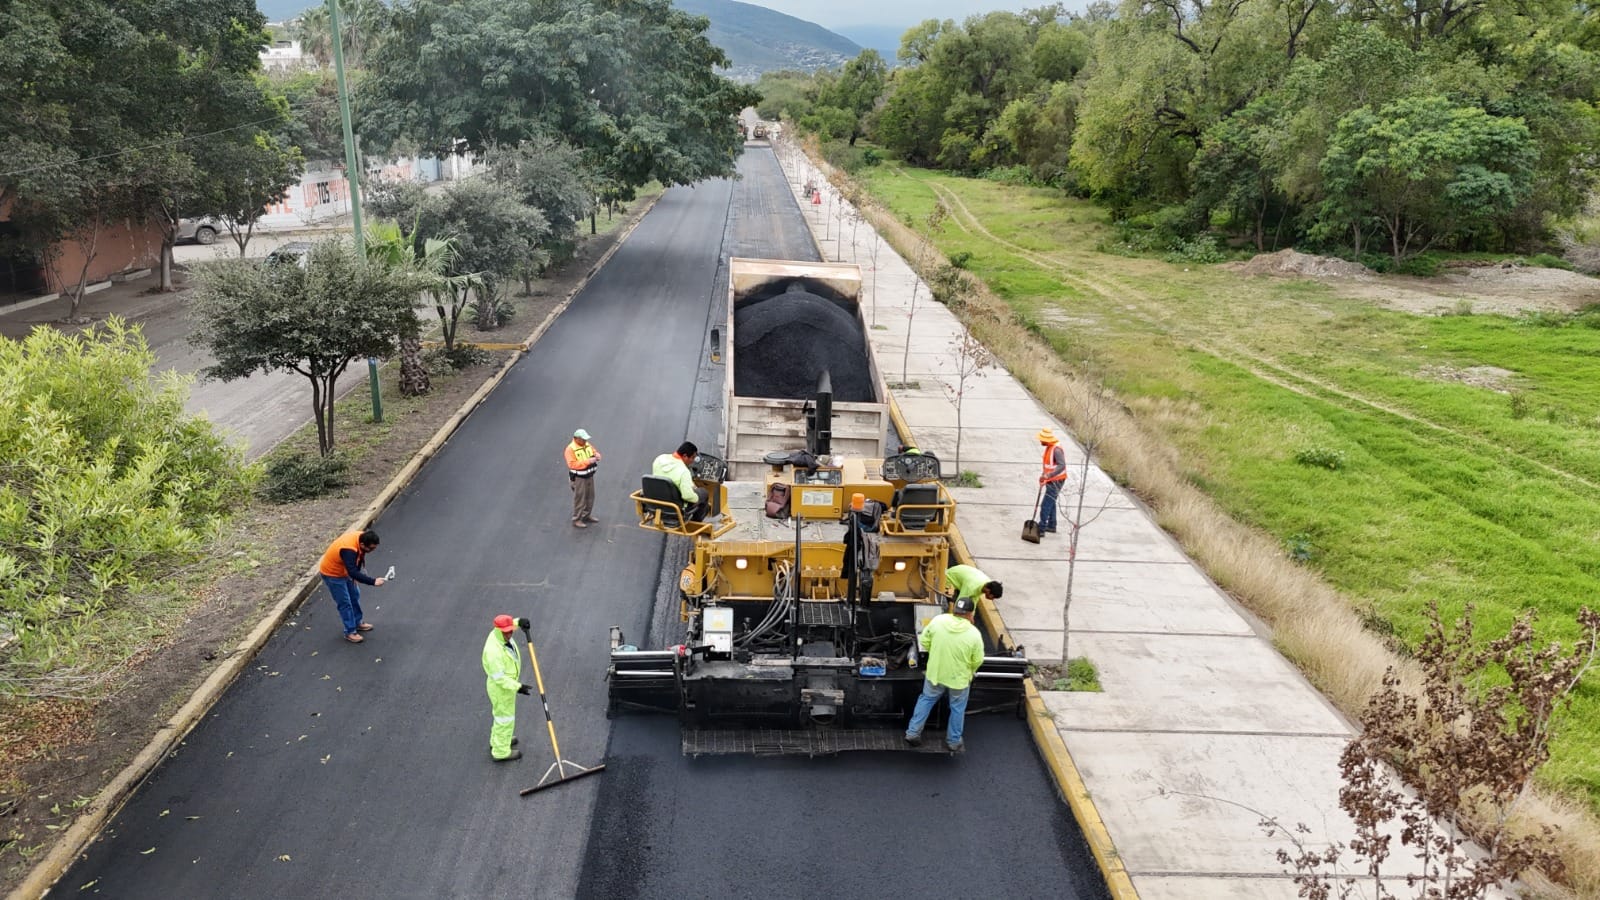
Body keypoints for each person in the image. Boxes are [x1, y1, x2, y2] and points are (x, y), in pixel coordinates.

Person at [904, 596, 986, 753]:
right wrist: (969, 670)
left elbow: (924, 641)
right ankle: (953, 741)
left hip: (935, 673)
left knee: (926, 699)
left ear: (954, 609)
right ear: (970, 614)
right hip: (959, 679)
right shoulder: (974, 633)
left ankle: (913, 733)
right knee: (957, 708)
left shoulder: (938, 621)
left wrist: (936, 652)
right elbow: (977, 660)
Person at [318, 529, 386, 644]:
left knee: (355, 595)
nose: (372, 551)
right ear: (362, 544)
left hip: (345, 571)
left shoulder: (361, 537)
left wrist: (355, 576)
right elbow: (353, 571)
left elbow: (358, 559)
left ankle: (357, 622)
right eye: (371, 549)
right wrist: (373, 581)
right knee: (345, 603)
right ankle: (350, 632)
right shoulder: (348, 550)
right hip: (333, 574)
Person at [483, 614, 533, 762]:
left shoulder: (500, 634)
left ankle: (498, 741)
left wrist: (519, 622)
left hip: (505, 687)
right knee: (505, 719)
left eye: (511, 631)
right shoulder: (493, 652)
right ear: (499, 631)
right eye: (506, 632)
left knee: (501, 717)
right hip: (501, 689)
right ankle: (500, 752)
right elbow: (499, 679)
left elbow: (510, 624)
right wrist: (518, 687)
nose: (509, 634)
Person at [652, 440, 709, 522]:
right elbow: (687, 496)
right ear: (685, 456)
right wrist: (697, 497)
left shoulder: (659, 459)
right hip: (676, 507)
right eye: (692, 458)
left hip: (658, 500)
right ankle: (696, 520)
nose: (693, 461)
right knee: (703, 493)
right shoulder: (684, 472)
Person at [565, 428, 602, 528]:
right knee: (580, 499)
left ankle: (586, 515)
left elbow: (593, 451)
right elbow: (572, 464)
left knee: (590, 497)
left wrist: (597, 454)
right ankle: (577, 519)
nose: (585, 441)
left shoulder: (586, 444)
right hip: (579, 478)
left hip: (589, 476)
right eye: (583, 439)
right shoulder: (570, 449)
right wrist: (588, 461)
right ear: (576, 438)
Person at [1038, 428, 1069, 535]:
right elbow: (1048, 465)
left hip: (1057, 480)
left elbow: (1062, 465)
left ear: (1046, 439)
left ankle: (1041, 528)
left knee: (1045, 504)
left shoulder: (1056, 450)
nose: (1040, 441)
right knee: (1051, 502)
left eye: (1041, 439)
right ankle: (1051, 525)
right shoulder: (1049, 447)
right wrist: (1043, 475)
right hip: (1051, 479)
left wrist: (1049, 475)